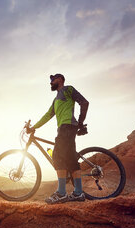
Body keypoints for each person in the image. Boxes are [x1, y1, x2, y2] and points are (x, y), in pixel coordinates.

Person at [28, 73, 89, 204]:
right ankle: (78, 193)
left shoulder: (68, 90)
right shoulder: (55, 100)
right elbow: (47, 115)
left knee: (57, 155)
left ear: (60, 80)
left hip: (67, 127)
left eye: (52, 79)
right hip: (64, 128)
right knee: (71, 160)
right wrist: (34, 127)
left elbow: (84, 102)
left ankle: (61, 193)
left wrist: (80, 121)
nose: (50, 82)